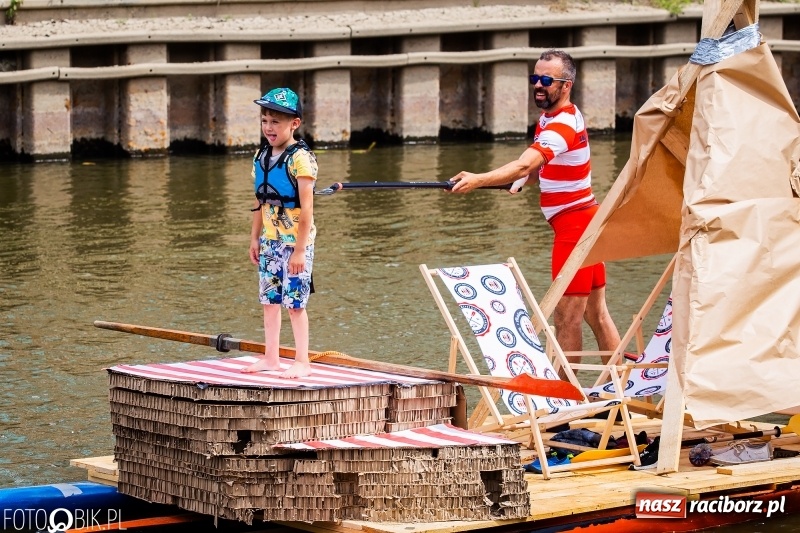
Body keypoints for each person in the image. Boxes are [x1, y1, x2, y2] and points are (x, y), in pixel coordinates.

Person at [449, 49, 621, 360]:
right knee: (596, 315)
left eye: (546, 80)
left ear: (565, 85)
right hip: (587, 222)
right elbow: (538, 170)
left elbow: (522, 165)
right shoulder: (551, 118)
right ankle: (617, 390)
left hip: (575, 228)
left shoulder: (561, 127)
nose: (538, 85)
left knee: (565, 318)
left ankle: (568, 399)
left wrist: (478, 179)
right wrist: (520, 181)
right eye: (534, 78)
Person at [242, 87, 318, 378]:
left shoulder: (301, 159)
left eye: (276, 122)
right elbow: (259, 202)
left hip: (295, 243)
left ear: (294, 124)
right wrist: (254, 238)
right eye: (264, 121)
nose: (269, 128)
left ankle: (302, 361)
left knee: (295, 304)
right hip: (270, 241)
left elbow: (307, 208)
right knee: (269, 301)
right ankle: (271, 357)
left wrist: (300, 249)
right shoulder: (260, 156)